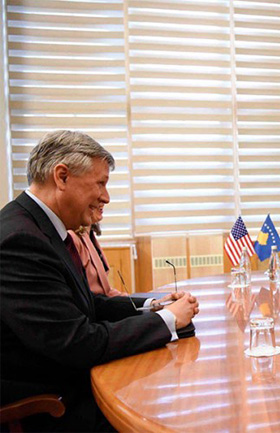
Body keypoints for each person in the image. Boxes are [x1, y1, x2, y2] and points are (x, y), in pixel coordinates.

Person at [0, 130, 200, 431]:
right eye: (101, 183)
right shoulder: (20, 240)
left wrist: (153, 306)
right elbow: (77, 342)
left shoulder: (41, 228)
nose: (106, 197)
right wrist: (168, 321)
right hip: (54, 405)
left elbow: (86, 304)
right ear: (62, 177)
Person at [69, 203, 125, 297]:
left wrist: (143, 301)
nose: (104, 202)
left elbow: (106, 291)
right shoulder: (73, 239)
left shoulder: (89, 236)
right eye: (96, 198)